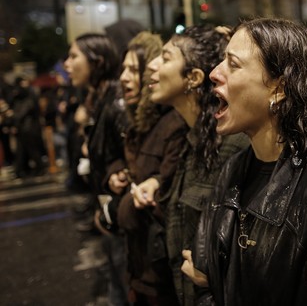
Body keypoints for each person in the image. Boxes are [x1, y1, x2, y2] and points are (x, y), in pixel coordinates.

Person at [188, 18, 307, 305]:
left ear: (279, 89)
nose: (214, 73)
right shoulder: (234, 168)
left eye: (233, 64)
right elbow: (208, 278)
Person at [144, 25, 248, 305]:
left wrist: (215, 272)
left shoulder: (231, 144)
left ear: (193, 77)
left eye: (165, 58)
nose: (151, 66)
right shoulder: (190, 139)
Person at [108, 31, 188, 305]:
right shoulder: (138, 123)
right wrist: (117, 174)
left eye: (133, 69)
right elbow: (128, 164)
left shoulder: (174, 123)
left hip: (160, 271)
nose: (123, 77)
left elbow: (165, 200)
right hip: (140, 264)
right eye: (123, 68)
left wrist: (119, 208)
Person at [64, 33, 128, 305]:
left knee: (123, 287)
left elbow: (130, 158)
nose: (67, 64)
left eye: (74, 56)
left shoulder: (116, 102)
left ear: (98, 62)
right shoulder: (99, 100)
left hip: (122, 215)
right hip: (108, 211)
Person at [11, 76, 46, 178]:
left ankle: (38, 168)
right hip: (25, 127)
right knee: (22, 150)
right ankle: (22, 170)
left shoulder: (29, 95)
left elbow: (23, 112)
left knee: (31, 149)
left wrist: (14, 118)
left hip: (28, 127)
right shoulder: (22, 95)